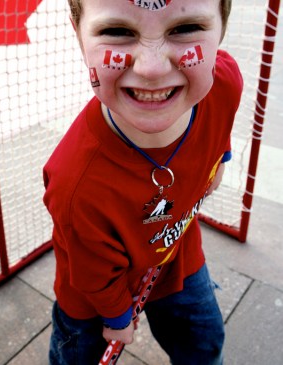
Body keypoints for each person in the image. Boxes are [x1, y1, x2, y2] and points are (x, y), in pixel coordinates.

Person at [43, 0, 243, 364]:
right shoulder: (75, 184)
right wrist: (118, 317)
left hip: (177, 256)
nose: (151, 70)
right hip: (94, 301)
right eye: (117, 32)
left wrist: (221, 158)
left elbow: (223, 114)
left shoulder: (224, 81)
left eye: (184, 29)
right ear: (78, 34)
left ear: (222, 31)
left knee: (203, 343)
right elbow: (92, 272)